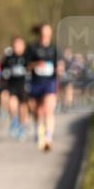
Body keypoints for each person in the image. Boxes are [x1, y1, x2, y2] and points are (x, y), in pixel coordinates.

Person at [27, 23, 61, 152]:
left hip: (50, 82)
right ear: (40, 33)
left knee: (48, 109)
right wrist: (36, 64)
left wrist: (60, 69)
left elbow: (59, 65)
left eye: (49, 32)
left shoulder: (54, 49)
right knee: (37, 111)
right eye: (44, 32)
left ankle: (48, 138)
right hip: (36, 82)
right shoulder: (32, 48)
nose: (46, 34)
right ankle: (38, 129)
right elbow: (27, 65)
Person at [0, 36, 30, 139]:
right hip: (12, 85)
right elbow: (2, 70)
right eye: (15, 44)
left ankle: (23, 125)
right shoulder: (9, 57)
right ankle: (14, 121)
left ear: (24, 45)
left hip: (24, 85)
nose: (17, 46)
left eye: (19, 44)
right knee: (12, 104)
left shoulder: (28, 56)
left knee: (23, 107)